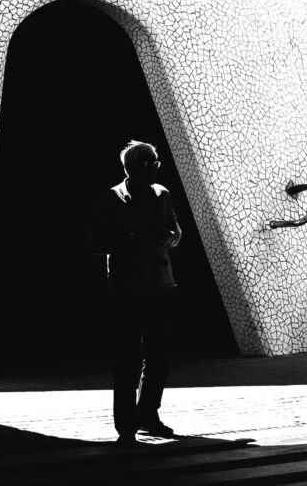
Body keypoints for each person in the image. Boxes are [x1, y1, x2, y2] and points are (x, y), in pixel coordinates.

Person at [89, 139, 183, 443]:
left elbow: (176, 230)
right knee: (127, 357)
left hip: (161, 284)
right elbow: (96, 243)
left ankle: (148, 415)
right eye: (150, 165)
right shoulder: (113, 198)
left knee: (160, 357)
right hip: (127, 289)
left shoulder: (162, 194)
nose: (155, 170)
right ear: (134, 168)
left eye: (156, 164)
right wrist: (135, 240)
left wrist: (171, 236)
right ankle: (126, 425)